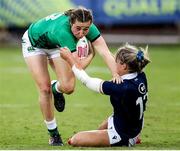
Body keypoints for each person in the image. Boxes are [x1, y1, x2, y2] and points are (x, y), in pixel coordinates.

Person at [21, 7, 119, 146]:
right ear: (71, 22)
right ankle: (53, 134)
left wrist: (115, 74)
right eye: (78, 28)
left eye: (85, 29)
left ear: (90, 24)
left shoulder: (89, 28)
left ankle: (57, 88)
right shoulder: (63, 32)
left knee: (68, 87)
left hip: (55, 44)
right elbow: (77, 67)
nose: (81, 33)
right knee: (44, 88)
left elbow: (106, 52)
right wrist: (91, 55)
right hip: (34, 42)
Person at [60, 43, 151, 147]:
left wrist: (69, 59)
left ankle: (129, 140)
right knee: (99, 129)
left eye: (116, 62)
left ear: (124, 66)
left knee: (75, 140)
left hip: (123, 135)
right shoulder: (141, 76)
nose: (114, 64)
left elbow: (87, 81)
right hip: (133, 125)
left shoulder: (121, 87)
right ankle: (133, 137)